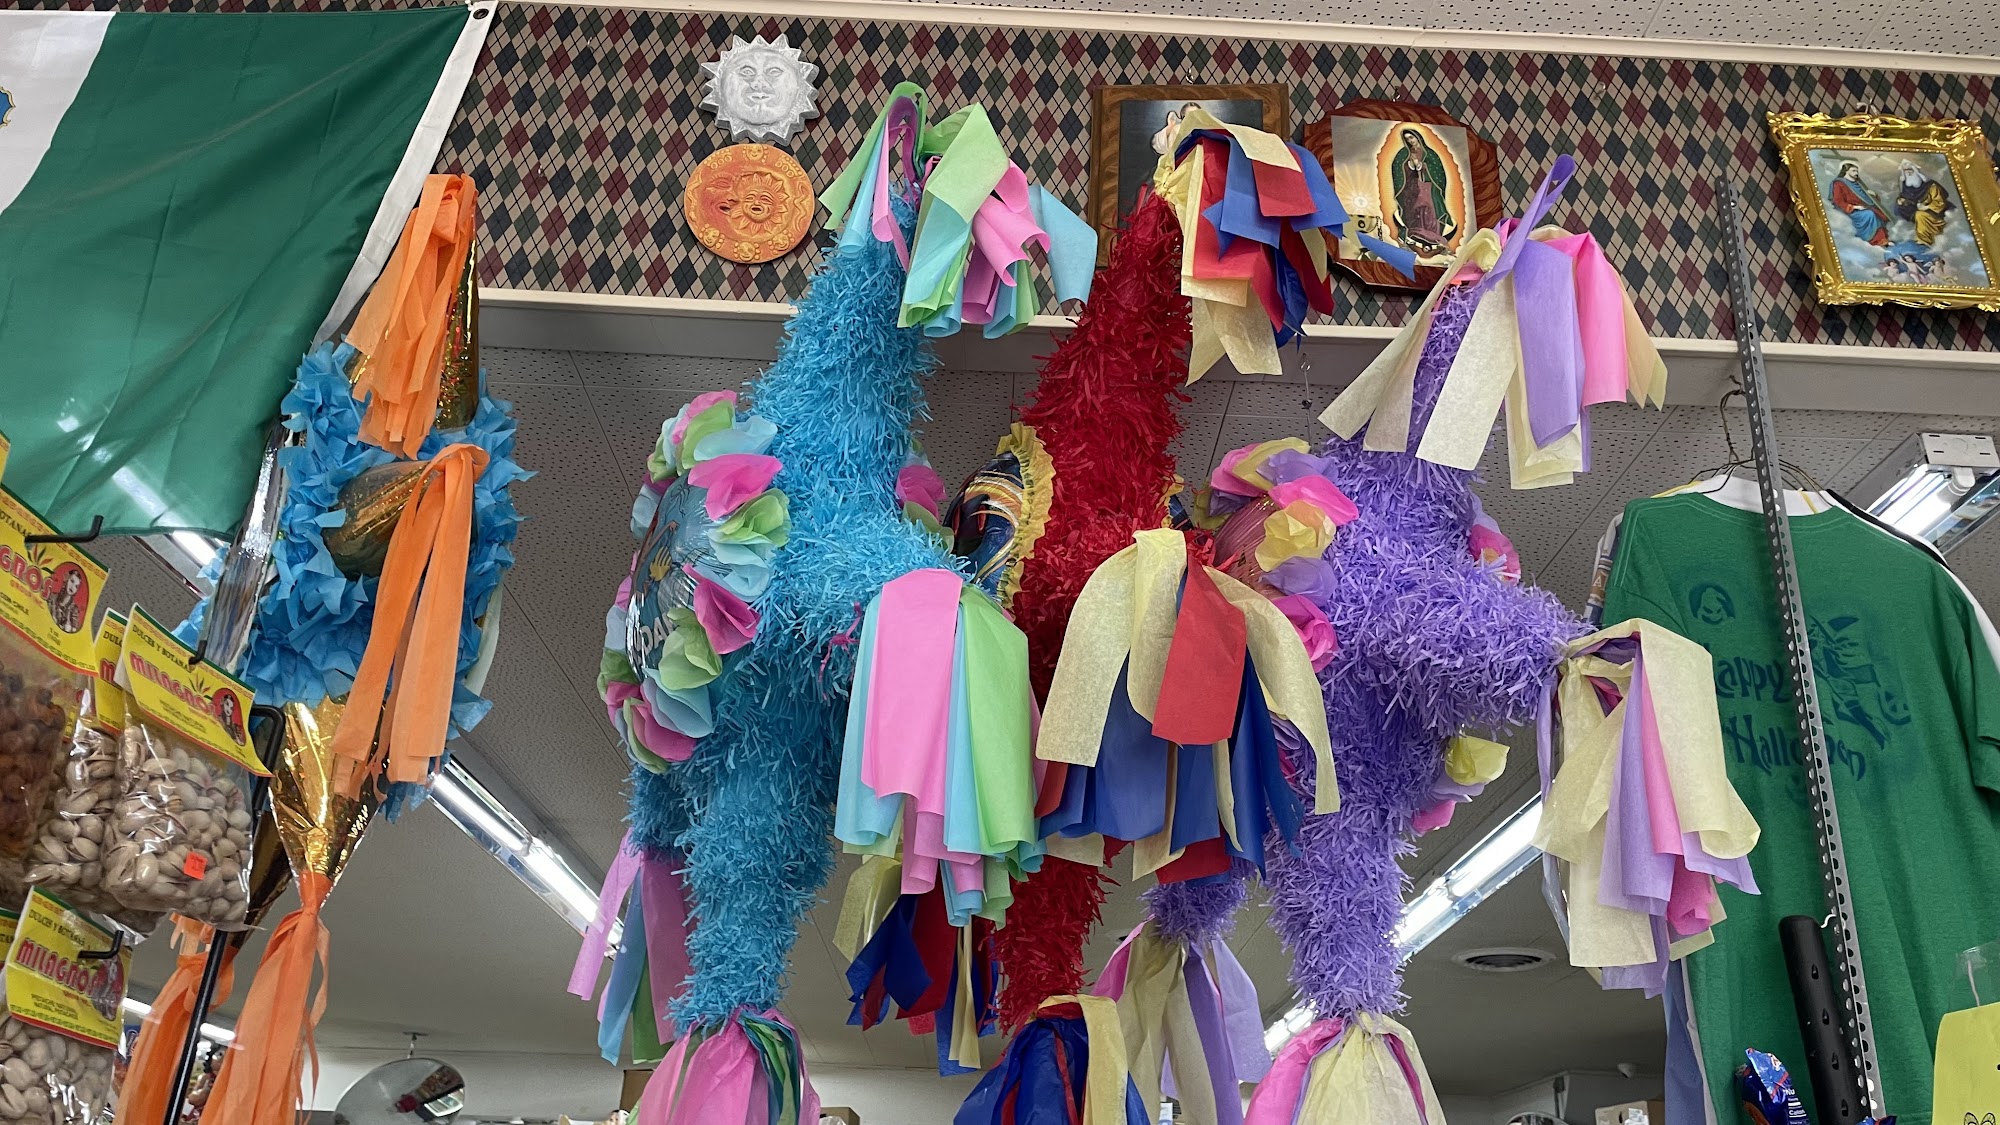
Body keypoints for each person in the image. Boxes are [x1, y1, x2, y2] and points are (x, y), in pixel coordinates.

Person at [1390, 128, 1456, 253]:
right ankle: (1415, 232)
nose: (1410, 141)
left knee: (1428, 206)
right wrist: (1409, 166)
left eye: (1412, 137)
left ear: (1417, 137)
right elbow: (1398, 168)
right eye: (1407, 139)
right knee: (1414, 208)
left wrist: (1422, 166)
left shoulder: (1430, 154)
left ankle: (1432, 235)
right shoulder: (1403, 153)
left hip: (1428, 186)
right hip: (1410, 186)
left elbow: (1437, 172)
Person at [1827, 161, 1891, 247]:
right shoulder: (1838, 183)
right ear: (1846, 171)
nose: (1856, 173)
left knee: (1879, 213)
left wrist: (1873, 195)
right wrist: (1855, 207)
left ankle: (1883, 239)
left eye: (1856, 171)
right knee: (1870, 214)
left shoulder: (1858, 183)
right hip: (1850, 211)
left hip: (1863, 208)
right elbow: (1838, 201)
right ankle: (1875, 240)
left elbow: (1866, 199)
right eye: (1853, 171)